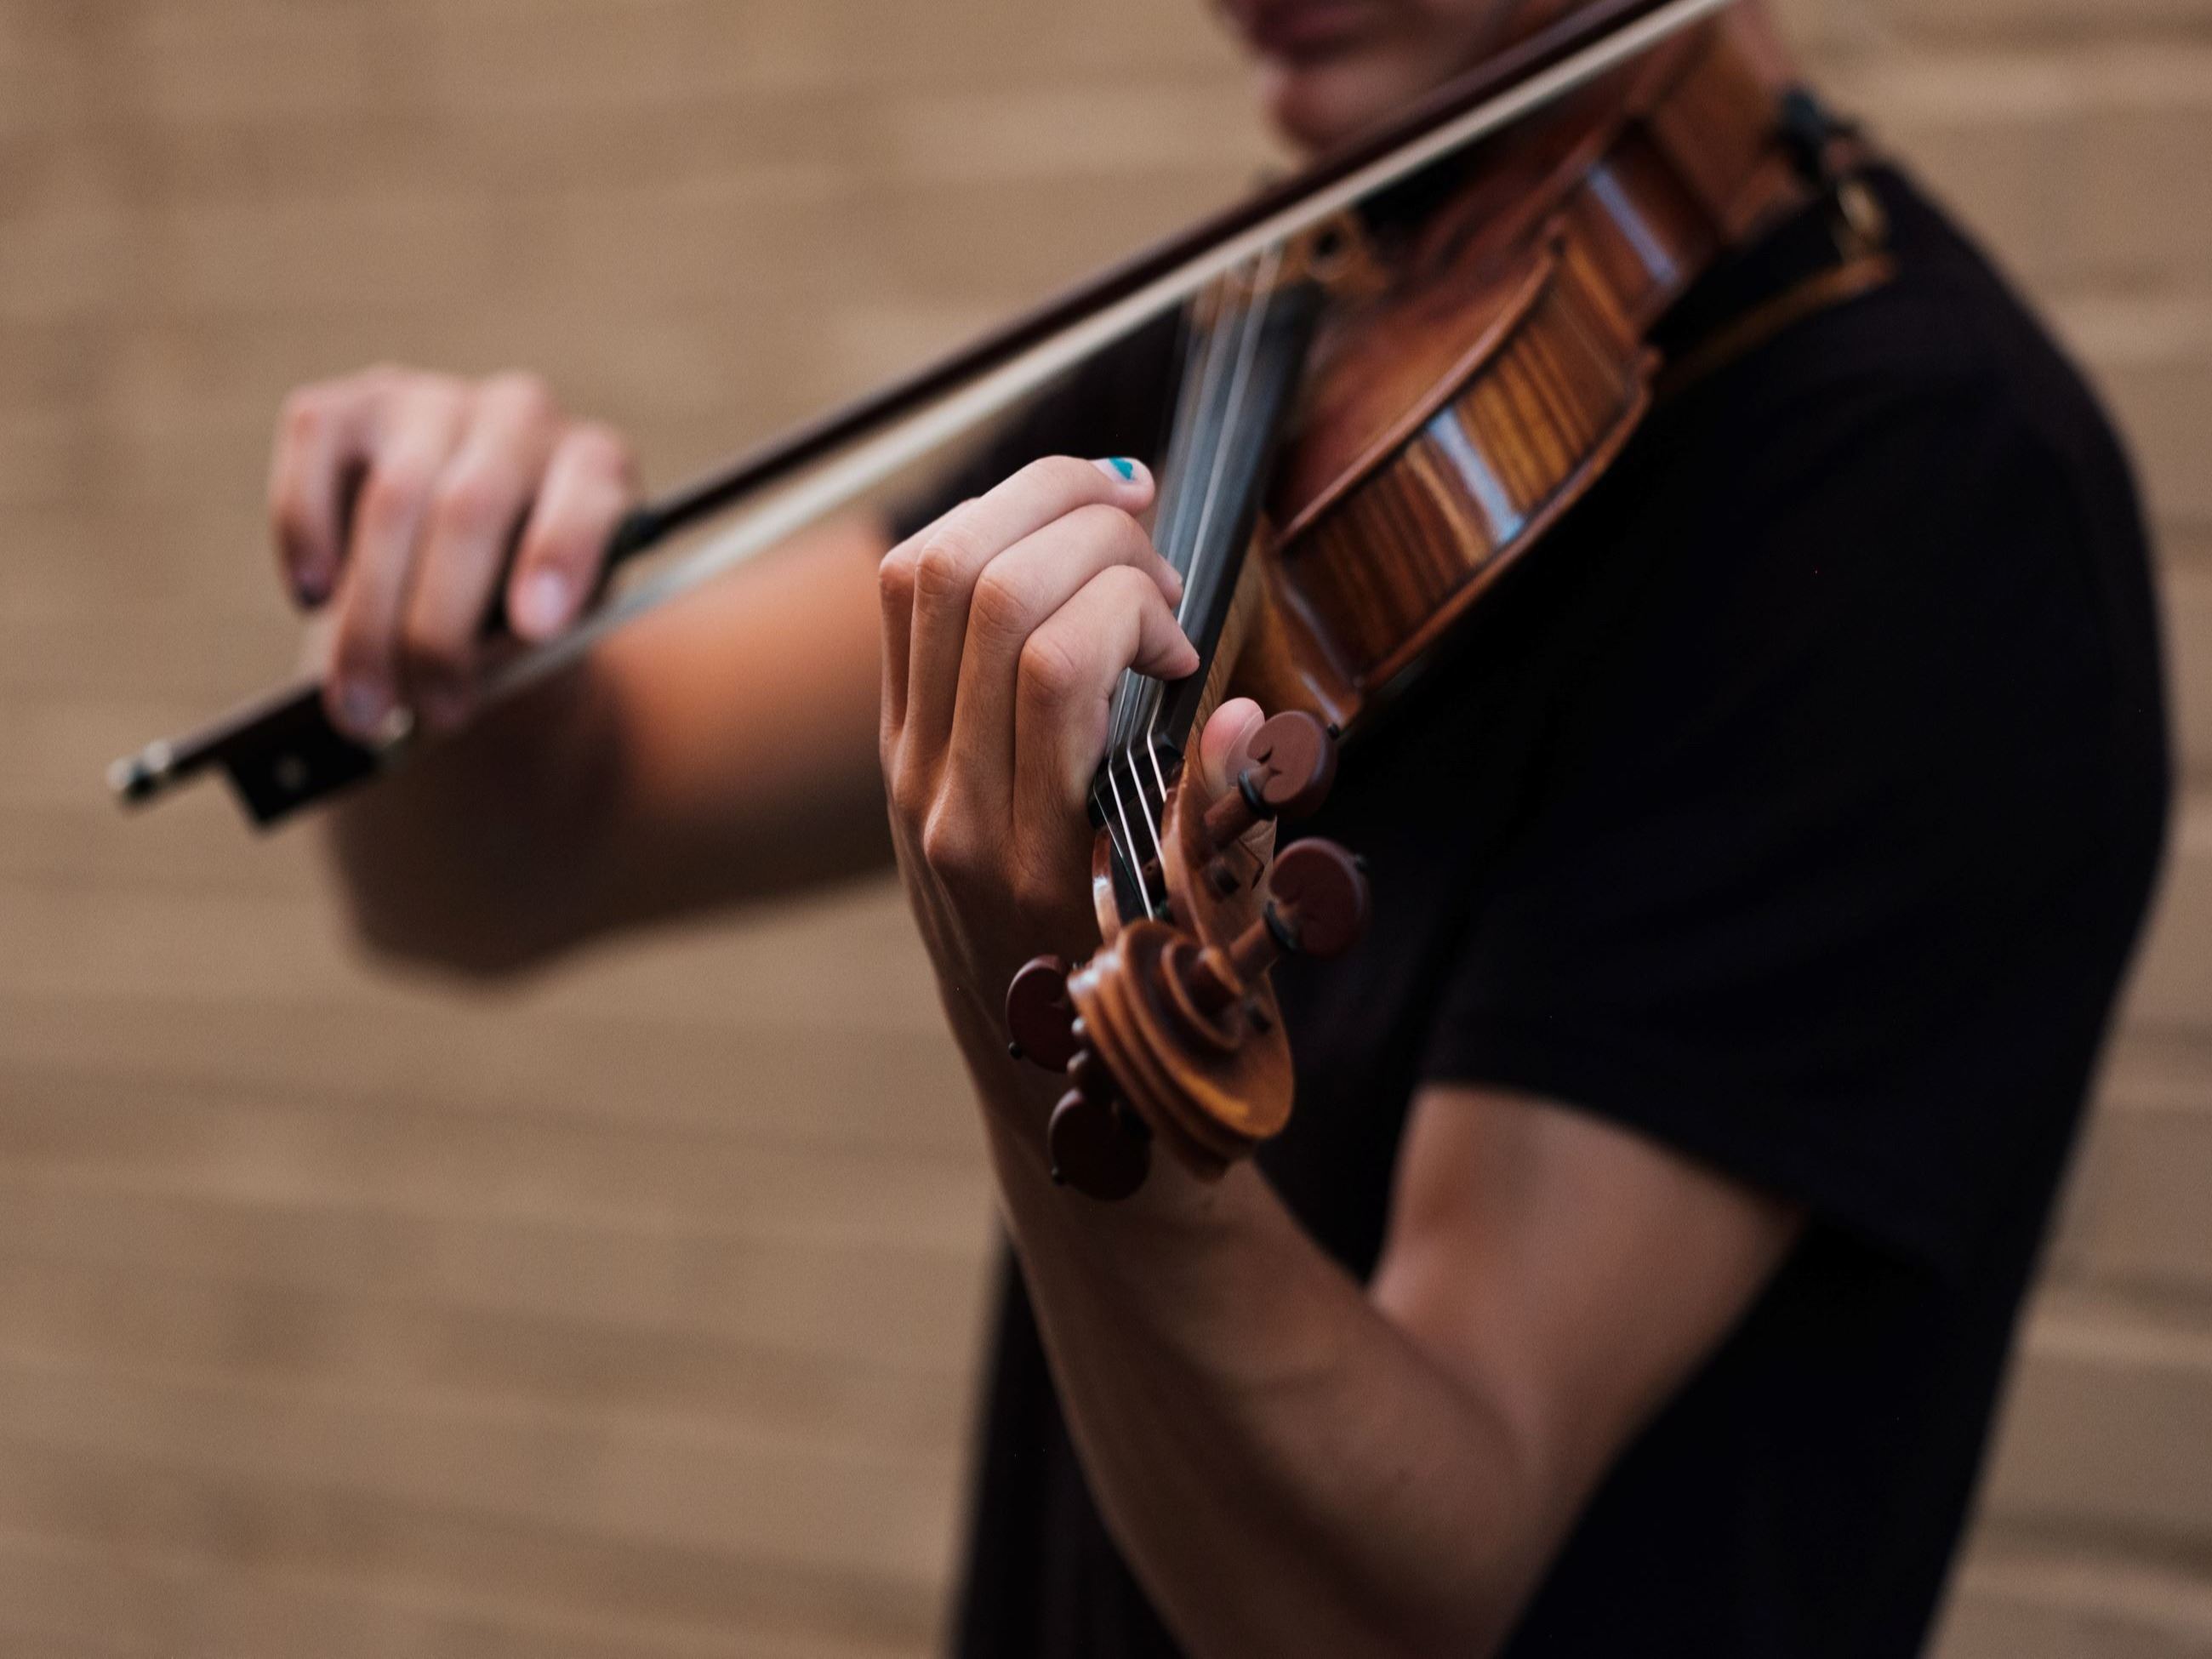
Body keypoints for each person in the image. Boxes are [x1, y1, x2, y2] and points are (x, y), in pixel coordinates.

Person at [259, 0, 2170, 1653]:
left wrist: (1053, 1036)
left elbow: (1392, 1595)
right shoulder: (1313, 308)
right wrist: (434, 655)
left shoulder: (1912, 502)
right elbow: (544, 849)